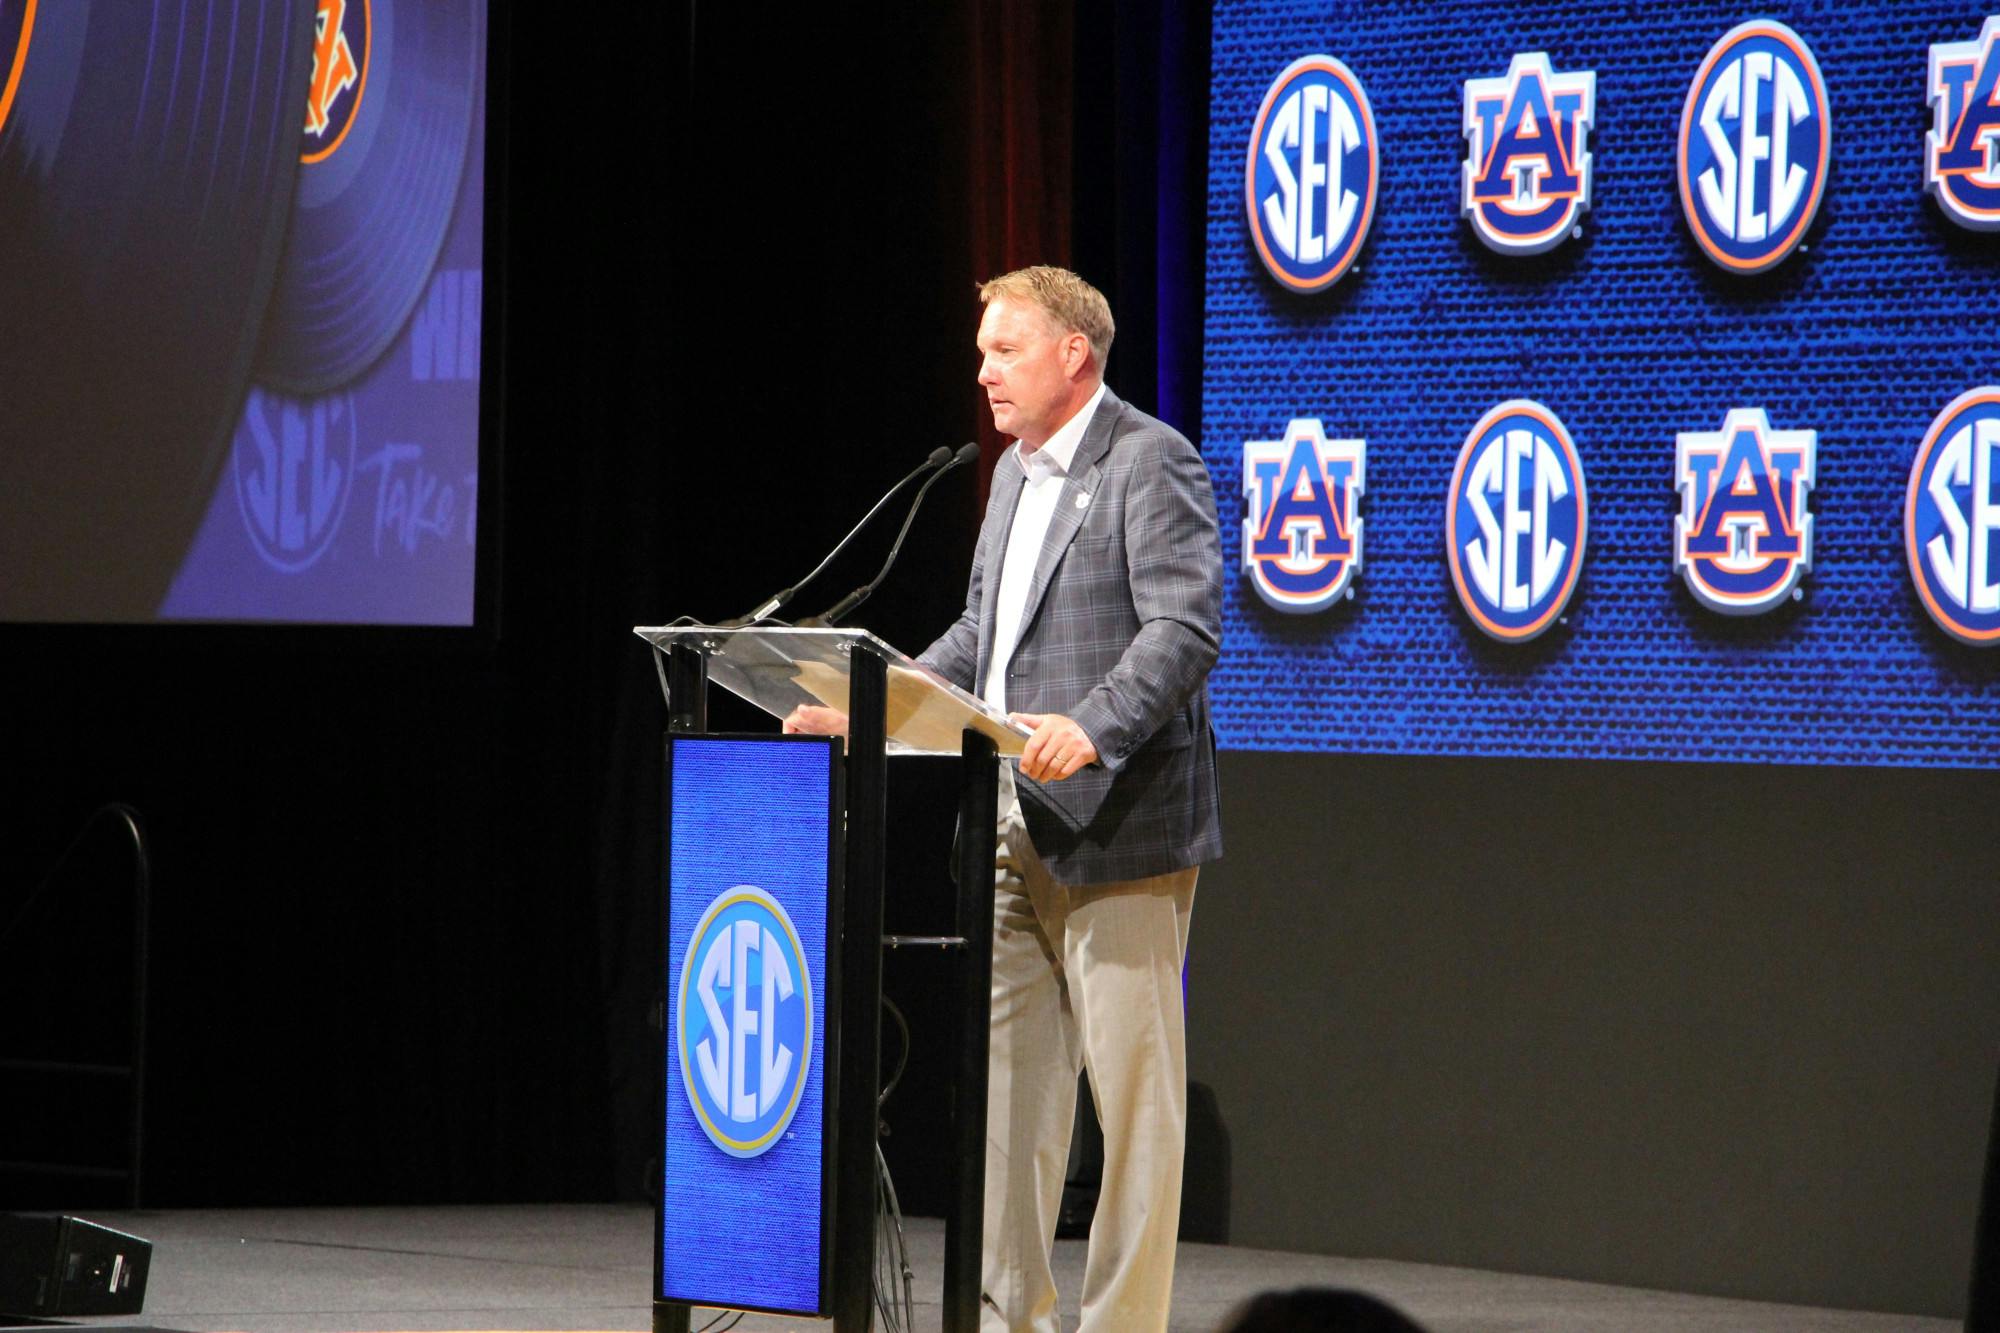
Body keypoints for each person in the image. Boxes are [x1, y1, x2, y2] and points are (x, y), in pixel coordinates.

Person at [787, 264, 1222, 1332]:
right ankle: (1004, 1319)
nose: (982, 370)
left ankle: (1120, 1324)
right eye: (983, 351)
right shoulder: (1015, 477)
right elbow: (980, 642)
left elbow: (1182, 628)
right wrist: (870, 704)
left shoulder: (1147, 461)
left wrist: (1094, 724)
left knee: (1133, 1113)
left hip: (1118, 829)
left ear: (1073, 353)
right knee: (1006, 1109)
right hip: (1004, 826)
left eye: (1003, 348)